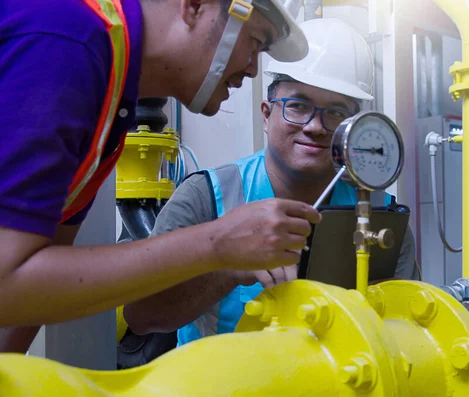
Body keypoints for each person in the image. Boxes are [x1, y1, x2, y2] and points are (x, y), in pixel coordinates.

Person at [0, 0, 320, 354]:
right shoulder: (69, 39)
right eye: (255, 42)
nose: (252, 70)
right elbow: (6, 283)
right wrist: (217, 244)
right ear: (195, 6)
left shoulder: (109, 107)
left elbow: (31, 297)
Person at [123, 18, 418, 346]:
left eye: (335, 113)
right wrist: (229, 267)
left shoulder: (382, 217)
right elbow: (141, 315)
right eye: (298, 105)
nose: (315, 126)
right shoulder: (206, 196)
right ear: (266, 114)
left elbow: (408, 330)